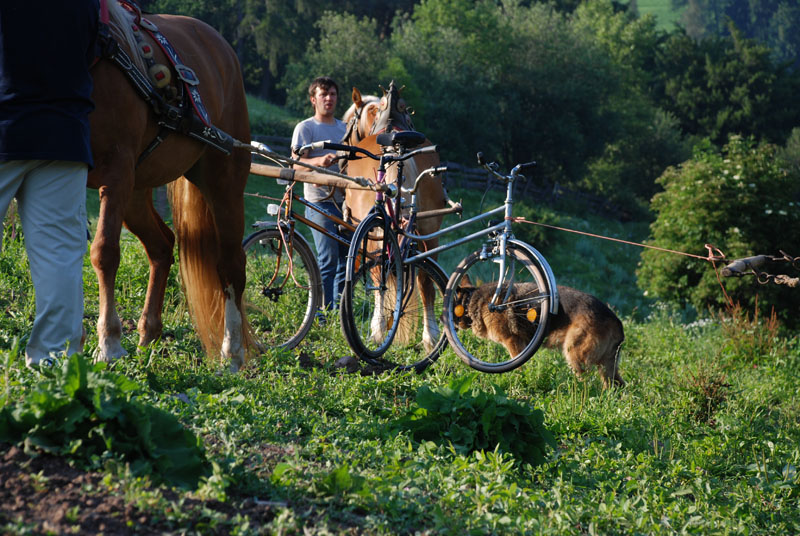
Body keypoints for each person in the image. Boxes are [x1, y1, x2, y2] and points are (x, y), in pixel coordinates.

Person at [0, 1, 99, 368]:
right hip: (65, 136)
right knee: (59, 257)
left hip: (6, 126)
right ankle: (52, 366)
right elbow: (92, 51)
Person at [291, 77, 348, 311]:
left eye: (333, 94)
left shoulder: (344, 129)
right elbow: (294, 165)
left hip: (346, 204)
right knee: (328, 260)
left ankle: (341, 316)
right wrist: (319, 161)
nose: (329, 98)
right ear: (313, 99)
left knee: (347, 262)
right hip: (319, 204)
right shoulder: (306, 128)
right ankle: (322, 313)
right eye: (324, 94)